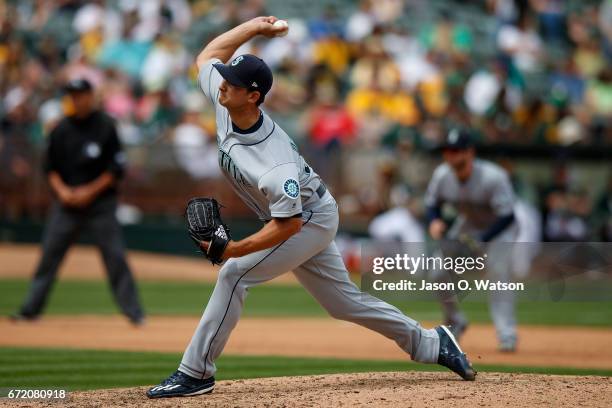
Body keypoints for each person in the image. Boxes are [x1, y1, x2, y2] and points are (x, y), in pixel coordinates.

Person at [147, 16, 476, 399]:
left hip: (308, 220)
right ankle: (433, 343)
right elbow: (208, 55)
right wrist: (253, 27)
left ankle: (196, 372)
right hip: (297, 214)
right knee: (344, 303)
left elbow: (288, 227)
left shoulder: (276, 164)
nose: (222, 84)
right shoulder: (226, 101)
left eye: (232, 83)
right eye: (224, 78)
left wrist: (233, 250)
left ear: (253, 96)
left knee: (233, 274)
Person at [11, 79, 145, 325]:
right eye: (72, 94)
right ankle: (30, 310)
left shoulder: (105, 126)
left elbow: (116, 169)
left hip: (100, 205)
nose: (76, 99)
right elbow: (49, 167)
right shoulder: (61, 129)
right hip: (67, 204)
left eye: (80, 94)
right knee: (49, 257)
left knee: (114, 256)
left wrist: (89, 192)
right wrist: (62, 191)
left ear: (90, 96)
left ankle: (134, 313)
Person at [424, 129, 518, 352]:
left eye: (456, 150)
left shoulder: (493, 176)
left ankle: (507, 334)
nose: (451, 155)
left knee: (497, 273)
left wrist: (482, 240)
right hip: (469, 225)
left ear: (470, 152)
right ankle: (455, 321)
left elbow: (508, 216)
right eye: (448, 150)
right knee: (437, 272)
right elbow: (432, 203)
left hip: (499, 228)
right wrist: (434, 220)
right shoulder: (442, 175)